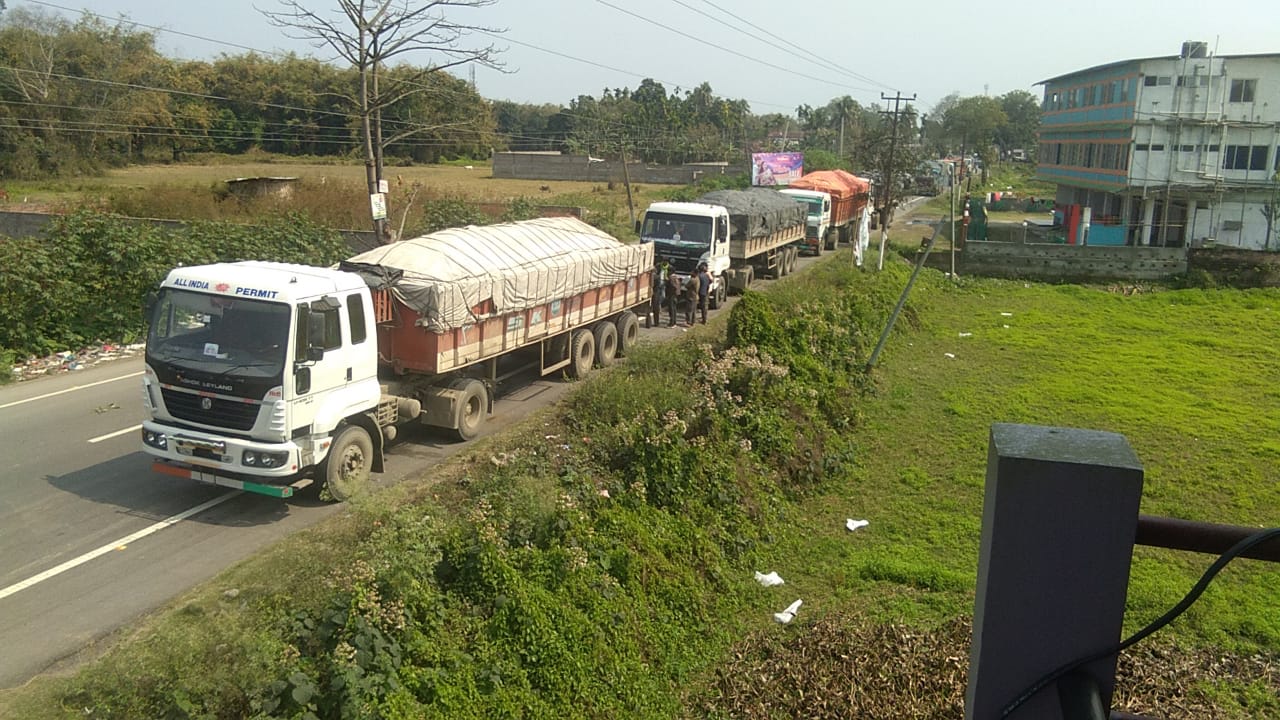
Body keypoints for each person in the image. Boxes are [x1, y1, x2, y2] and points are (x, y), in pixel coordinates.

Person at [648, 260, 667, 327]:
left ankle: (648, 323)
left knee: (649, 309)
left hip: (649, 292)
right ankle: (656, 323)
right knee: (656, 309)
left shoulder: (649, 277)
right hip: (656, 293)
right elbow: (659, 285)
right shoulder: (657, 277)